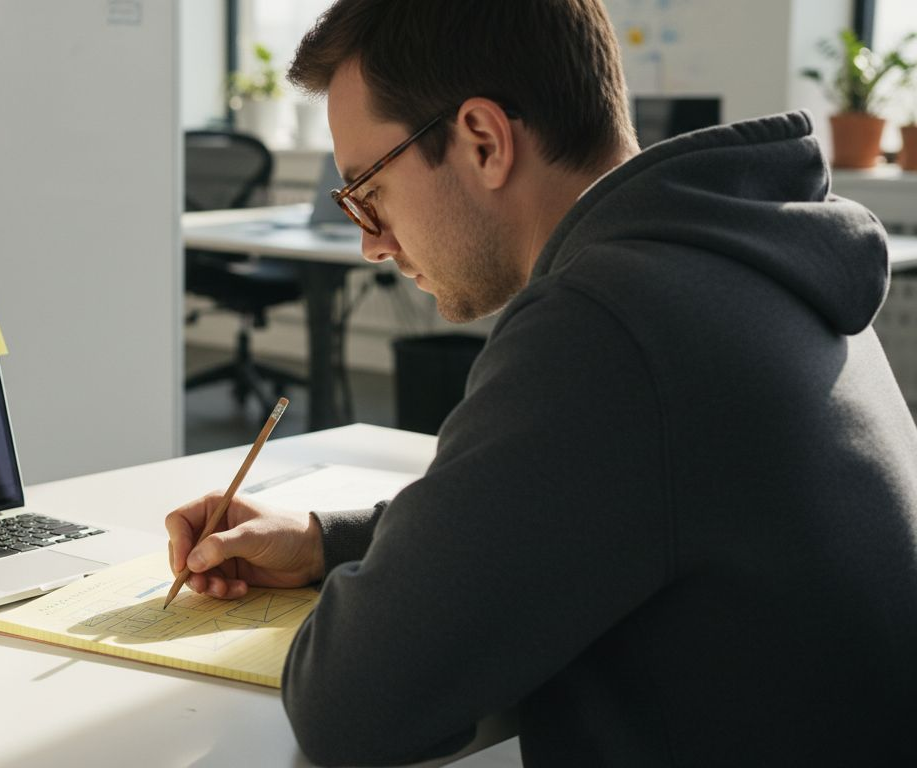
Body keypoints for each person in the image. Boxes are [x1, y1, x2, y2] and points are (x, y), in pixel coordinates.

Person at [166, 0, 917, 765]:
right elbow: (585, 508)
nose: (370, 242)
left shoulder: (610, 324)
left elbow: (351, 704)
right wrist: (325, 542)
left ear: (484, 141)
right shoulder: (740, 263)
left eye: (369, 188)